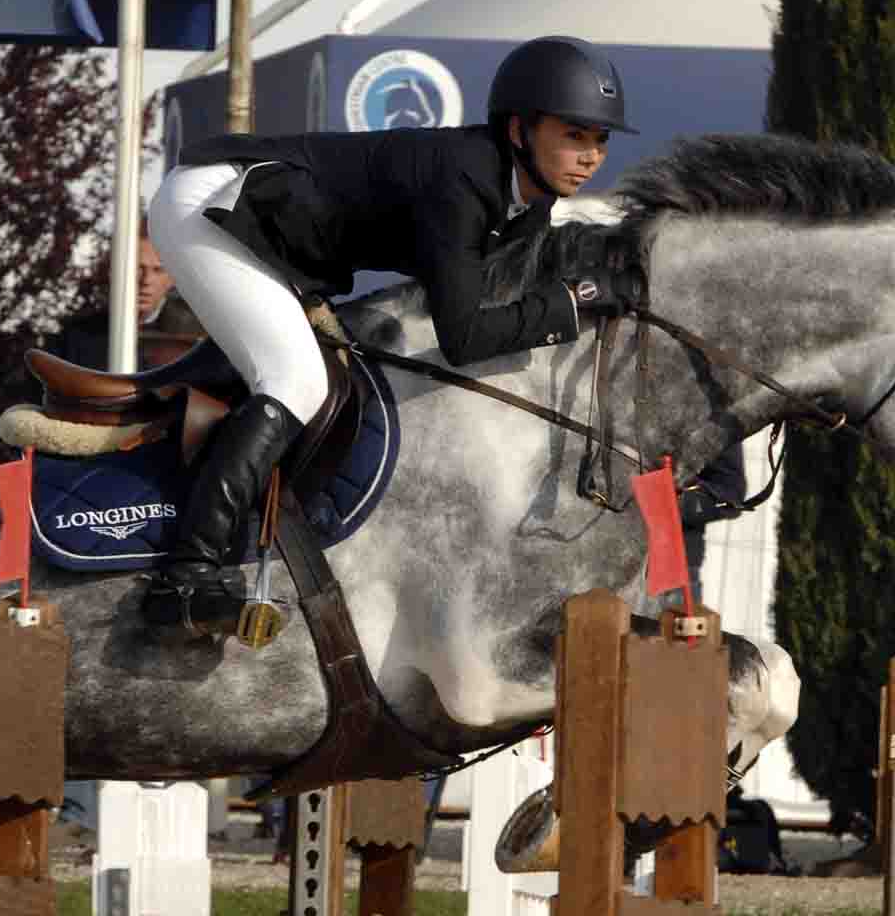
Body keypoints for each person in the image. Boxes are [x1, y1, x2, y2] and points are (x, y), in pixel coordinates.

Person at [141, 34, 639, 635]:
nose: (590, 156)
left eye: (600, 141)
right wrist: (574, 300)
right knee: (296, 379)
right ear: (517, 131)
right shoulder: (463, 182)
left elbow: (489, 303)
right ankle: (184, 575)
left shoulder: (526, 205)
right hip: (213, 205)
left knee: (311, 368)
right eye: (574, 135)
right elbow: (466, 336)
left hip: (266, 231)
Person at [52, 228, 205, 372]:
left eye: (158, 270)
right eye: (137, 268)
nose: (146, 280)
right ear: (114, 271)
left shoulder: (198, 340)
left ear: (172, 277)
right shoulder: (76, 339)